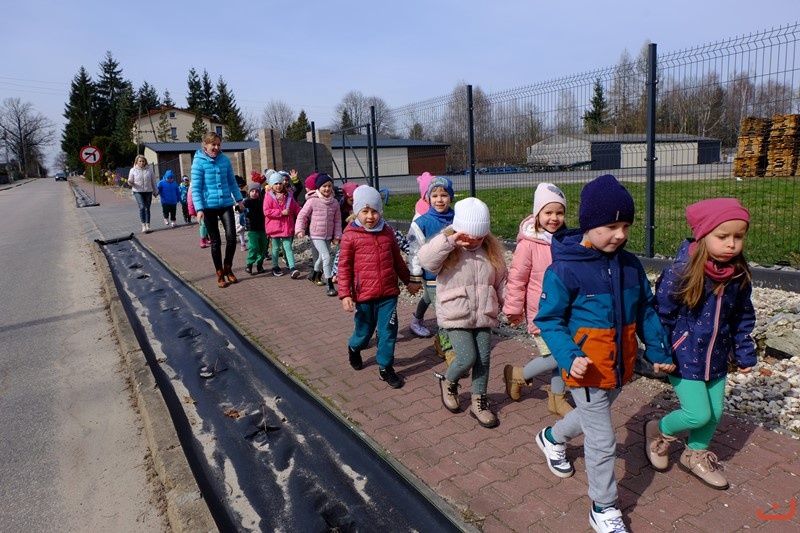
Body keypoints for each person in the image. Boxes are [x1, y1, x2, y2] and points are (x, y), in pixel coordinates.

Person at [532, 174, 675, 533]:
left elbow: (645, 309)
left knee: (592, 415)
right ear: (589, 224)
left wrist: (657, 349)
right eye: (611, 227)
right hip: (586, 369)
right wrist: (569, 356)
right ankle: (603, 507)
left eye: (626, 226)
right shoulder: (564, 269)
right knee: (603, 439)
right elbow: (549, 320)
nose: (621, 234)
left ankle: (551, 438)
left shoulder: (629, 265)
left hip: (620, 366)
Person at [645, 198, 756, 491]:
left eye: (739, 237)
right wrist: (660, 352)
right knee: (697, 413)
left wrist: (744, 352)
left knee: (715, 413)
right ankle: (658, 431)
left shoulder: (738, 274)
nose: (731, 244)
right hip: (683, 356)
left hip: (717, 356)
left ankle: (694, 455)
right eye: (723, 236)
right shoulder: (680, 272)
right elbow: (660, 316)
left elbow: (743, 316)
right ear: (703, 235)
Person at [418, 197, 507, 428]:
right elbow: (426, 261)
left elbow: (501, 281)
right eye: (469, 235)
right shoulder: (448, 247)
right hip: (455, 313)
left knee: (483, 360)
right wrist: (450, 241)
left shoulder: (490, 251)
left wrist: (509, 305)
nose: (473, 241)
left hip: (484, 313)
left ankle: (479, 401)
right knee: (467, 357)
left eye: (479, 236)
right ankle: (448, 381)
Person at [337, 186, 421, 389]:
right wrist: (345, 294)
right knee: (364, 331)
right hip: (364, 295)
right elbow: (344, 266)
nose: (370, 216)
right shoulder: (350, 235)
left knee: (388, 331)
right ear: (356, 211)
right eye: (365, 211)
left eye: (374, 211)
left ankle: (385, 368)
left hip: (388, 294)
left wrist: (408, 280)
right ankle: (354, 347)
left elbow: (397, 260)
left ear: (380, 212)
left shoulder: (387, 232)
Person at [502, 183, 573, 418]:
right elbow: (517, 279)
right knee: (557, 356)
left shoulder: (567, 240)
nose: (554, 218)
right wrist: (513, 310)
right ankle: (518, 375)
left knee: (562, 353)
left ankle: (556, 398)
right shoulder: (528, 244)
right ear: (537, 214)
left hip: (565, 310)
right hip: (541, 312)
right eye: (548, 212)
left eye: (559, 212)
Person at [406, 176, 456, 354]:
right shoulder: (421, 223)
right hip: (432, 275)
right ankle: (445, 345)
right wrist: (415, 276)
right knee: (443, 310)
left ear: (451, 197)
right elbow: (414, 251)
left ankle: (416, 320)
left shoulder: (459, 218)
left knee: (428, 298)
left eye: (444, 195)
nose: (439, 199)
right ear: (428, 198)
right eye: (434, 196)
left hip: (453, 272)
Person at [190, 132, 244, 288]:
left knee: (231, 237)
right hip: (209, 206)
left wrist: (239, 199)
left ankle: (228, 267)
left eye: (218, 144)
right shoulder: (198, 162)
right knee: (216, 241)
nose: (216, 147)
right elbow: (196, 189)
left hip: (226, 204)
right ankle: (219, 273)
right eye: (213, 144)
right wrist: (199, 209)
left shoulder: (224, 160)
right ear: (205, 145)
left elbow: (232, 182)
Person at [295, 173, 342, 296]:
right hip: (316, 234)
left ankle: (314, 274)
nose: (327, 189)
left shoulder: (334, 203)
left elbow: (337, 221)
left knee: (322, 258)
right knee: (327, 257)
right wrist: (300, 230)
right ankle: (329, 284)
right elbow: (302, 215)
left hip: (328, 235)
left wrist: (337, 236)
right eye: (324, 186)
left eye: (329, 186)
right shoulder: (312, 201)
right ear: (318, 187)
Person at [263, 172, 301, 278]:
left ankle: (292, 267)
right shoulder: (268, 196)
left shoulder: (289, 196)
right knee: (275, 248)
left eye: (280, 183)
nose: (278, 186)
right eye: (275, 184)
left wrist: (303, 214)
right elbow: (266, 211)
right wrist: (281, 213)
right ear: (271, 185)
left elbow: (295, 207)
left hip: (286, 226)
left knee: (288, 247)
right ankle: (275, 266)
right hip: (274, 227)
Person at [128, 155, 159, 233]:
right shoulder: (133, 170)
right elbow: (130, 180)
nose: (141, 163)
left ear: (145, 162)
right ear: (137, 162)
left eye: (143, 161)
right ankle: (143, 225)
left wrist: (155, 191)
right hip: (137, 191)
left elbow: (153, 181)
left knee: (147, 208)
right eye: (140, 161)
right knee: (142, 207)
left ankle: (148, 225)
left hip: (148, 191)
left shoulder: (149, 170)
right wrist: (130, 182)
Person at [243, 182, 268, 275]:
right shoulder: (247, 201)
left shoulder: (263, 201)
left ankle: (259, 264)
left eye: (257, 191)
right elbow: (241, 207)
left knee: (263, 248)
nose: (254, 193)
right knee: (254, 247)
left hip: (263, 228)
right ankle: (249, 264)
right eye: (252, 191)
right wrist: (238, 208)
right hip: (252, 229)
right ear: (249, 192)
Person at [187, 182, 210, 248]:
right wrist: (192, 212)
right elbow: (190, 199)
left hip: (208, 206)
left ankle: (206, 237)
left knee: (207, 224)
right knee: (203, 224)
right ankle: (202, 240)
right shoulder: (193, 185)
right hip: (199, 207)